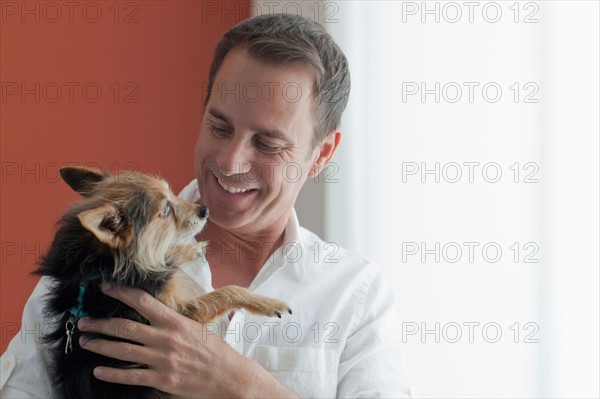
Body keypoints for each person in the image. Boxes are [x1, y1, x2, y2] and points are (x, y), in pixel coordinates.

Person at [1, 14, 413, 398]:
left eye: (267, 144)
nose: (231, 163)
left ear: (322, 153)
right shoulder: (94, 268)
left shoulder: (357, 297)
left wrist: (245, 386)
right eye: (219, 126)